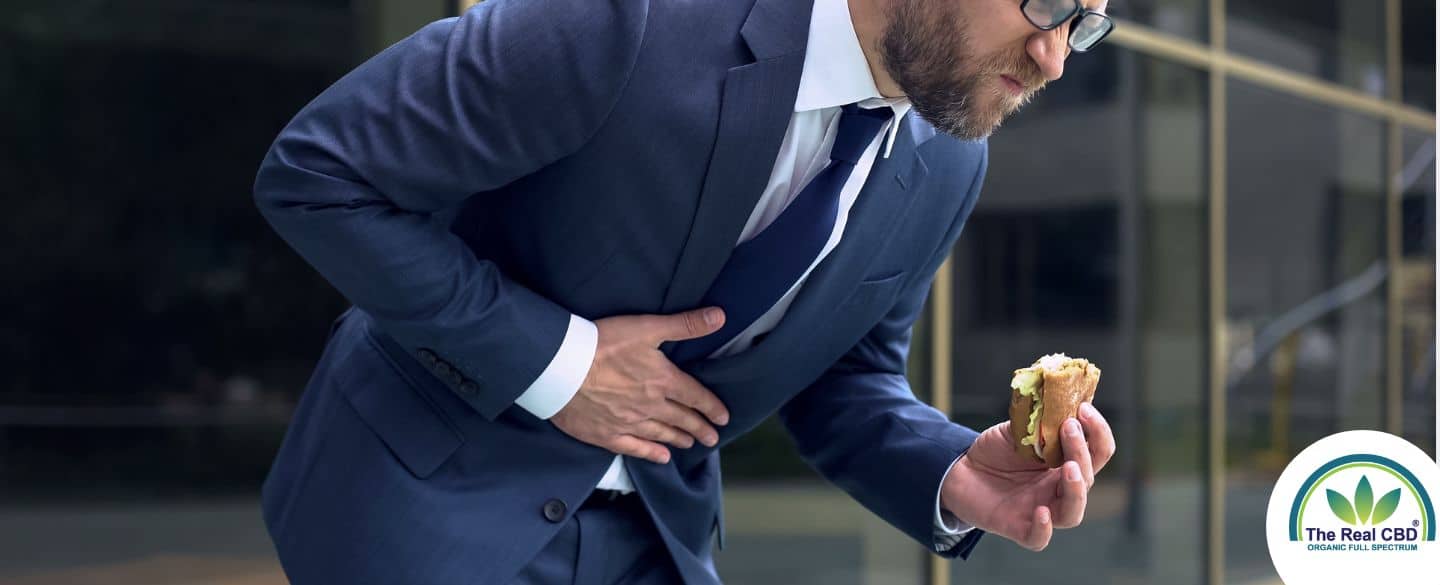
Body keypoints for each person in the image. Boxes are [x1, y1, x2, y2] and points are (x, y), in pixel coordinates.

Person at [252, 0, 1118, 583]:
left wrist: (952, 469)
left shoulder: (950, 164)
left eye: (1087, 24)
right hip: (423, 508)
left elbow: (844, 379)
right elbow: (321, 172)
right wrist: (562, 363)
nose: (1053, 55)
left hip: (657, 543)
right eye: (1043, 3)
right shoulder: (629, 21)